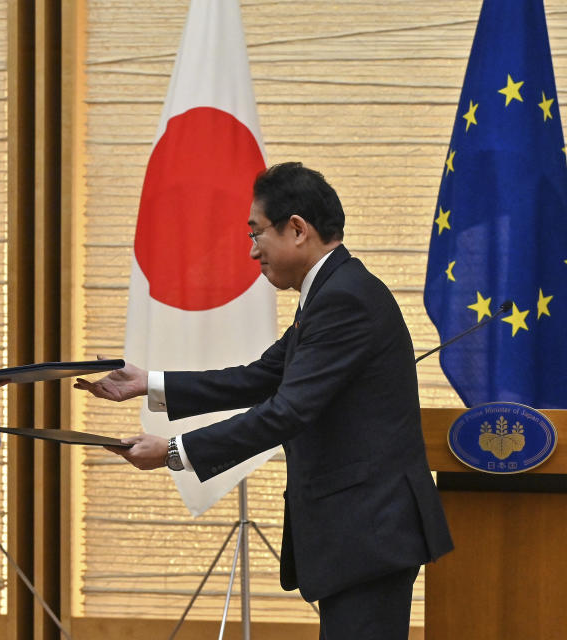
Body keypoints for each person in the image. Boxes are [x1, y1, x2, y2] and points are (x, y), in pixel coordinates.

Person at [75, 162, 453, 639]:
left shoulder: (345, 299)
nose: (252, 251)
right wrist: (147, 382)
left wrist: (174, 452)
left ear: (297, 229)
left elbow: (287, 411)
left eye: (256, 233)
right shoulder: (332, 290)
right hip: (359, 531)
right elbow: (260, 377)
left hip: (369, 531)